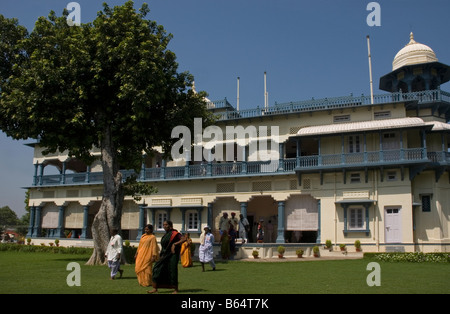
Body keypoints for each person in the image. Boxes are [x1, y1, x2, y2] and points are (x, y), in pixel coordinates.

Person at [148, 221, 186, 294]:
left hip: (172, 255)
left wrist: (175, 244)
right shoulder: (166, 234)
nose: (164, 226)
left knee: (172, 271)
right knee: (156, 268)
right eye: (163, 225)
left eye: (166, 225)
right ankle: (155, 287)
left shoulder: (175, 234)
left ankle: (175, 289)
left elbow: (184, 239)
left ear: (170, 225)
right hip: (164, 255)